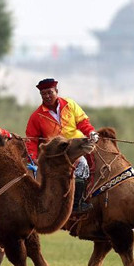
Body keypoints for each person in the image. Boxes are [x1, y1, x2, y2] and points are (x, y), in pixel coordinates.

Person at [25, 78, 98, 214]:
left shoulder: (70, 104)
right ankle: (75, 205)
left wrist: (91, 133)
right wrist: (33, 157)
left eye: (49, 92)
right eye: (43, 94)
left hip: (77, 144)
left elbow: (83, 123)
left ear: (56, 91)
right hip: (57, 152)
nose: (47, 96)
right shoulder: (37, 116)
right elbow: (31, 139)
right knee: (82, 164)